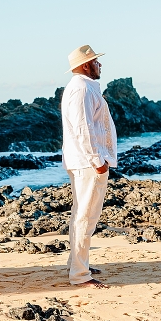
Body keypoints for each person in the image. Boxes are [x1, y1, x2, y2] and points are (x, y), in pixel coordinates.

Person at [61, 45, 117, 288]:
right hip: (88, 163)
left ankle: (77, 265)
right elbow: (83, 128)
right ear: (86, 65)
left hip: (85, 161)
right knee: (85, 216)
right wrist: (98, 162)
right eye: (96, 61)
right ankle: (80, 275)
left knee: (81, 215)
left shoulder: (84, 87)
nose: (100, 65)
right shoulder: (82, 89)